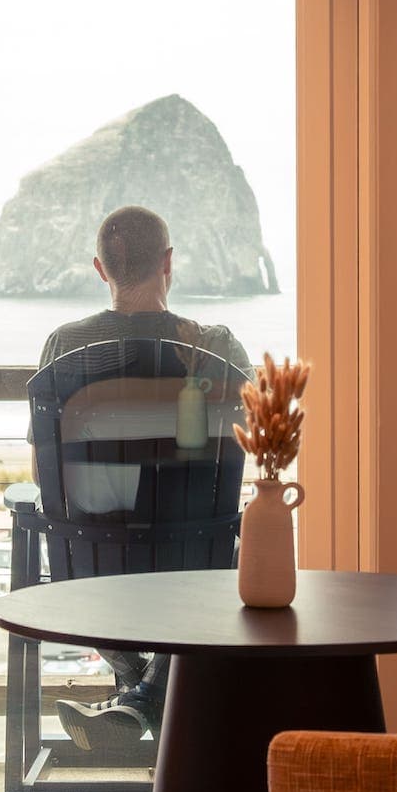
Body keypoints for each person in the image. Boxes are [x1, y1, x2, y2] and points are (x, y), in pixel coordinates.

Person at [39, 206, 250, 758]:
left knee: (107, 558)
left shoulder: (65, 348)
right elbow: (249, 439)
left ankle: (136, 696)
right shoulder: (216, 345)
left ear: (100, 269)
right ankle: (149, 696)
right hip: (195, 558)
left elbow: (43, 458)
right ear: (169, 263)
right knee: (213, 568)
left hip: (89, 563)